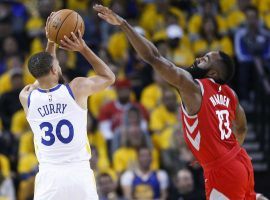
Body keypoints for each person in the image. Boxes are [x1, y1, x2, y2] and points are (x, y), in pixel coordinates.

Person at [94, 4, 263, 199]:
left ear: (213, 73)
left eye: (205, 59)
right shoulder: (230, 94)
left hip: (223, 171)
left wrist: (123, 24)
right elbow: (241, 128)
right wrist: (223, 153)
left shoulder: (193, 87)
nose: (199, 58)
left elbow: (153, 57)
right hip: (240, 161)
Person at [19, 13, 115, 200]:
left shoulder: (26, 96)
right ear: (56, 69)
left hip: (49, 178)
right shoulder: (76, 88)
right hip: (78, 174)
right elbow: (109, 77)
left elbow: (43, 72)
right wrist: (83, 48)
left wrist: (51, 42)